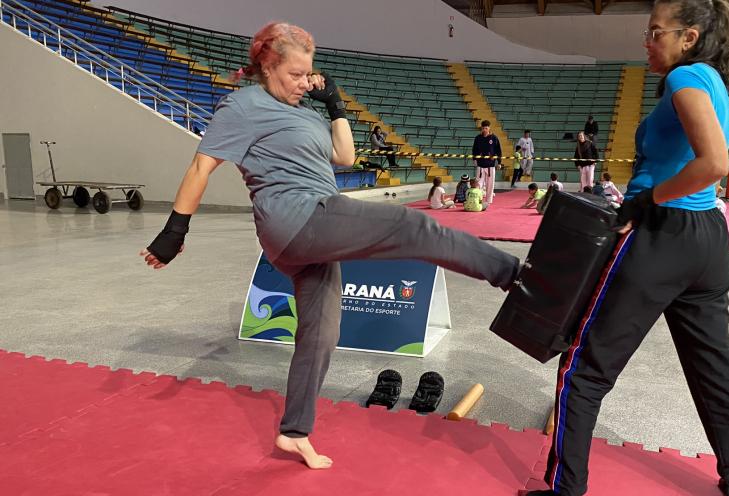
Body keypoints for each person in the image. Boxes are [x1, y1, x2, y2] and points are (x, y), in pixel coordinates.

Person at [140, 22, 519, 471]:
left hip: (311, 230)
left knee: (321, 334)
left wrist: (335, 103)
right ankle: (514, 277)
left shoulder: (306, 111)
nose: (305, 82)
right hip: (295, 218)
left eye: (309, 74)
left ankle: (293, 432)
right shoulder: (244, 105)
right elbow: (201, 168)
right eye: (295, 74)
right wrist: (175, 231)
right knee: (413, 225)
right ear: (267, 66)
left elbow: (344, 157)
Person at [518, 0, 729, 496]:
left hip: (662, 235)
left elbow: (714, 163)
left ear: (689, 37)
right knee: (716, 364)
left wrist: (646, 201)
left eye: (656, 32)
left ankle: (564, 493)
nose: (647, 41)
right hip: (708, 240)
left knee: (585, 364)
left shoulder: (685, 78)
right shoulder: (715, 82)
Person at [472, 120, 501, 205]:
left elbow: (498, 150)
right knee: (478, 183)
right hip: (480, 164)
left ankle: (489, 201)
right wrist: (474, 159)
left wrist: (499, 162)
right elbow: (474, 149)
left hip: (490, 165)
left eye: (486, 128)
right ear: (481, 128)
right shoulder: (478, 138)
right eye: (483, 128)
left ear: (489, 128)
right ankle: (478, 199)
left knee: (490, 184)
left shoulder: (494, 138)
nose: (484, 130)